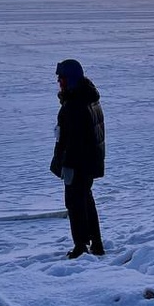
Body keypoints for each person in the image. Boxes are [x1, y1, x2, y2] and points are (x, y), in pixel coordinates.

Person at [50, 59, 105, 258]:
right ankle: (96, 243)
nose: (59, 82)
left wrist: (66, 164)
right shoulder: (87, 97)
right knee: (85, 199)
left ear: (70, 80)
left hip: (77, 162)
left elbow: (72, 139)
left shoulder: (75, 103)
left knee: (75, 203)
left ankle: (81, 246)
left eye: (61, 78)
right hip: (87, 161)